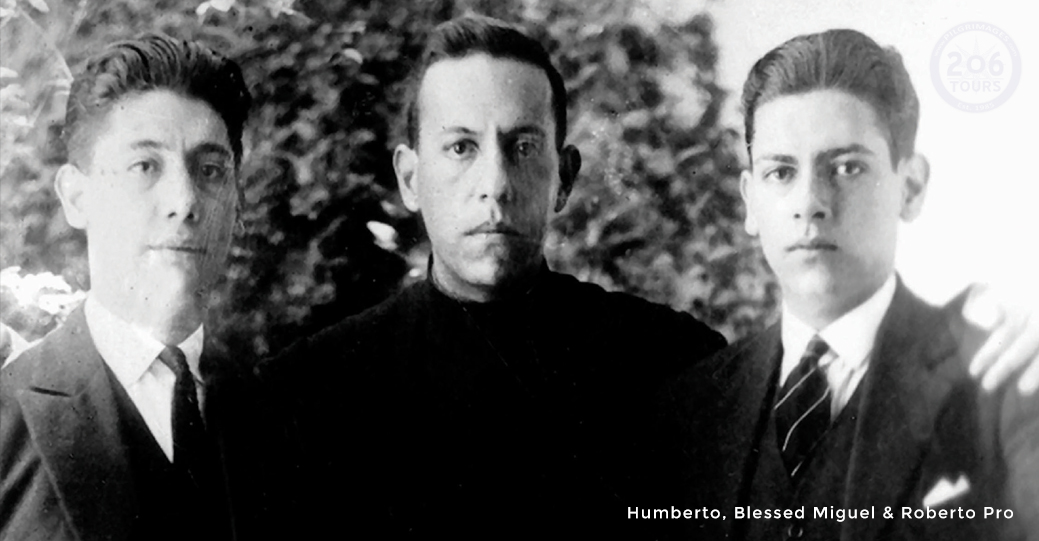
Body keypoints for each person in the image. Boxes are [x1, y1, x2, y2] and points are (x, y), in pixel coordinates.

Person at [263, 16, 1039, 539]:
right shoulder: (312, 391)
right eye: (460, 147)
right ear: (409, 176)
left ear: (564, 176)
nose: (493, 184)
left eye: (523, 147)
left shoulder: (670, 364)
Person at [655, 29, 1038, 540]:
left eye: (847, 167)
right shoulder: (693, 406)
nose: (809, 202)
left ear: (911, 186)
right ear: (749, 201)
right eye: (781, 172)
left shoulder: (1001, 382)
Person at [0, 33, 266, 541]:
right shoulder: (7, 418)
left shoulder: (283, 414)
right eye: (145, 166)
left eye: (210, 170)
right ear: (76, 197)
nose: (184, 201)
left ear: (236, 200)